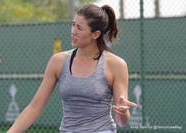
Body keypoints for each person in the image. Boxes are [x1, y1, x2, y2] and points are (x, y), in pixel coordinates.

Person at [7, 4, 137, 133]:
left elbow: (122, 121)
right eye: (73, 24)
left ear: (95, 34)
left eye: (79, 28)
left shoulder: (116, 65)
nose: (73, 31)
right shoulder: (58, 61)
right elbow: (34, 108)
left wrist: (122, 112)